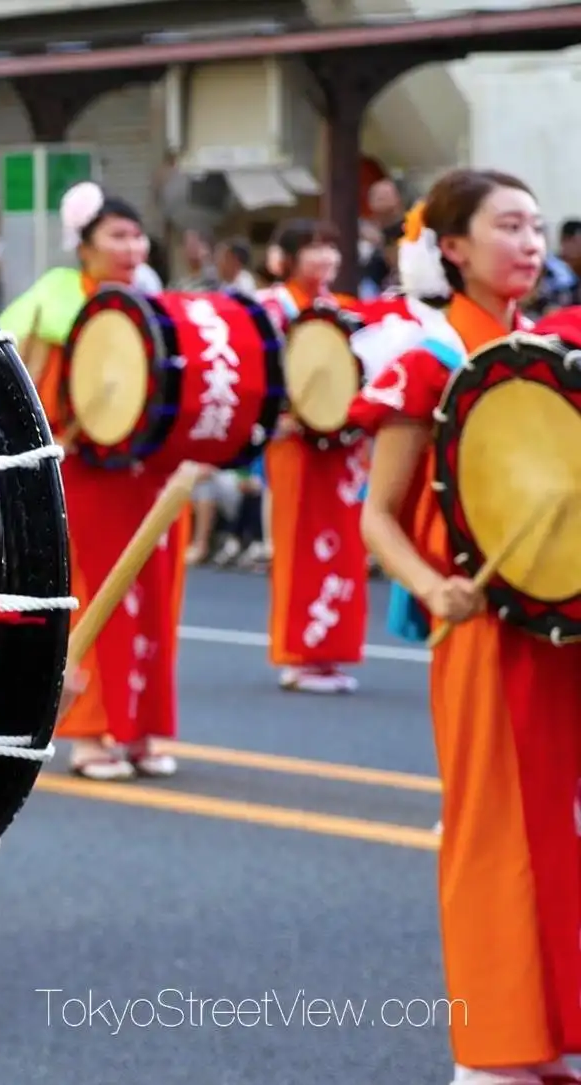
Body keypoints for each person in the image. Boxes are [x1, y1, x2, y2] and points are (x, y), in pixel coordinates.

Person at [349, 169, 581, 1085]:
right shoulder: (429, 353)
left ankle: (553, 1032)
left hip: (559, 626)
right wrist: (431, 586)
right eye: (508, 226)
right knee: (496, 828)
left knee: (560, 825)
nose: (529, 242)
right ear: (450, 246)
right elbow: (379, 515)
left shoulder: (547, 351)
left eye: (535, 227)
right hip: (484, 627)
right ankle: (492, 1052)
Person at [0, 182, 190, 781]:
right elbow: (25, 386)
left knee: (156, 602)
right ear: (83, 245)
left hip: (151, 476)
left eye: (137, 235)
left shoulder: (157, 305)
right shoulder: (53, 303)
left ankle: (141, 732)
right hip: (88, 474)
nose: (132, 246)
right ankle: (89, 734)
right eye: (117, 235)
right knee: (97, 597)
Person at [252, 219, 370, 694]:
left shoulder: (341, 309)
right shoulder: (269, 308)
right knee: (300, 544)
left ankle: (330, 653)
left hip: (340, 444)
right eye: (313, 249)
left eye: (330, 248)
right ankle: (299, 654)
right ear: (284, 259)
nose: (325, 259)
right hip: (294, 441)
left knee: (342, 544)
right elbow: (257, 366)